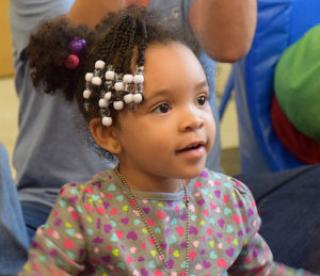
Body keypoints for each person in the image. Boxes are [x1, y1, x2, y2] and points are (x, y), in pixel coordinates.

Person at [19, 7, 311, 275]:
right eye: (163, 107)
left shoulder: (228, 200)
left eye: (201, 99)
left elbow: (262, 271)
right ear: (108, 133)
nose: (193, 120)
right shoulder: (85, 212)